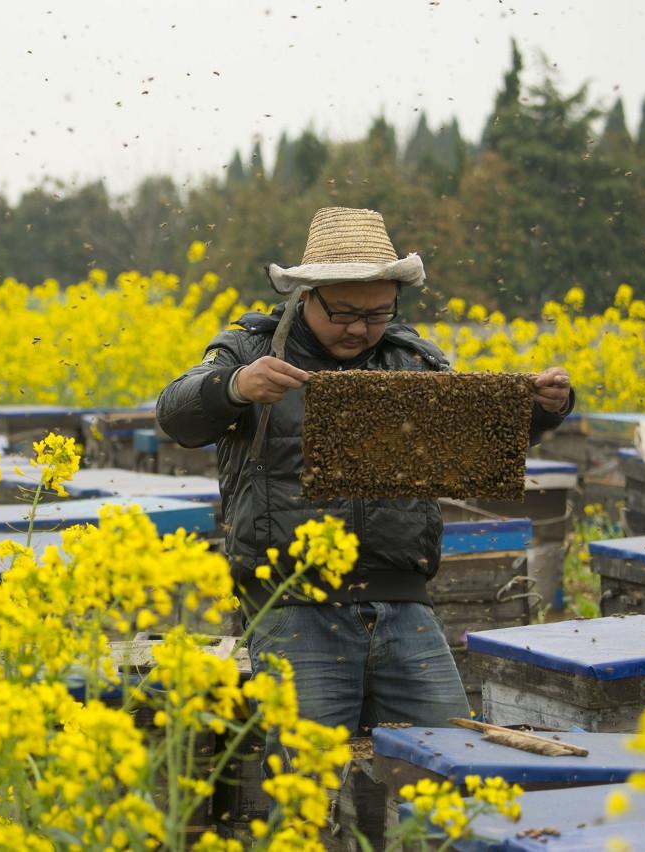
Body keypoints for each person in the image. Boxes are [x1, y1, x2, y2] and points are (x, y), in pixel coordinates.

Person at [155, 207, 574, 749]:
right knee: (310, 788)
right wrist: (234, 386)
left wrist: (541, 408)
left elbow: (475, 441)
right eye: (345, 312)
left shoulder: (410, 357)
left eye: (377, 313)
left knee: (448, 771)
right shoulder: (249, 350)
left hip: (403, 604)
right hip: (293, 608)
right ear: (305, 294)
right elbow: (175, 413)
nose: (360, 328)